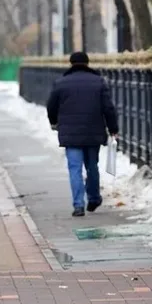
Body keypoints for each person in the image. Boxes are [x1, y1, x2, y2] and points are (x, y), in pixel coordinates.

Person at [46, 51, 119, 217]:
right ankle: (93, 198)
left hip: (70, 134)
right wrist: (113, 128)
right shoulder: (98, 82)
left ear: (71, 63)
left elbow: (51, 106)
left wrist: (54, 122)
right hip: (93, 132)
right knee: (92, 166)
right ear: (88, 63)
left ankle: (78, 205)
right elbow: (108, 108)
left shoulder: (61, 83)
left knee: (74, 168)